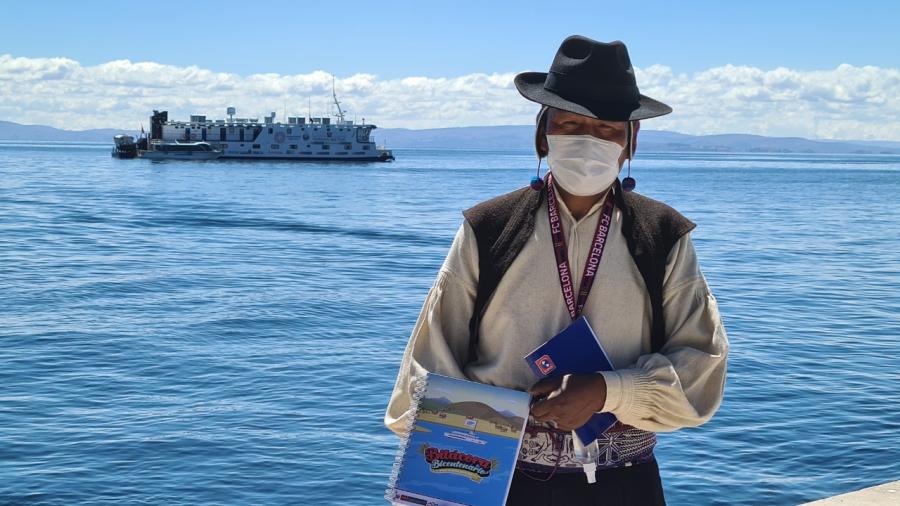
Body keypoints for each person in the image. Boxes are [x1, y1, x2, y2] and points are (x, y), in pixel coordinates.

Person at [384, 35, 728, 506]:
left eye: (607, 129)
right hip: (495, 480)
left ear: (631, 141)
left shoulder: (663, 235)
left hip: (623, 484)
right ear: (543, 134)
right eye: (571, 124)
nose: (589, 141)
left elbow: (701, 370)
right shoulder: (489, 228)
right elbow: (430, 365)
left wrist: (607, 392)